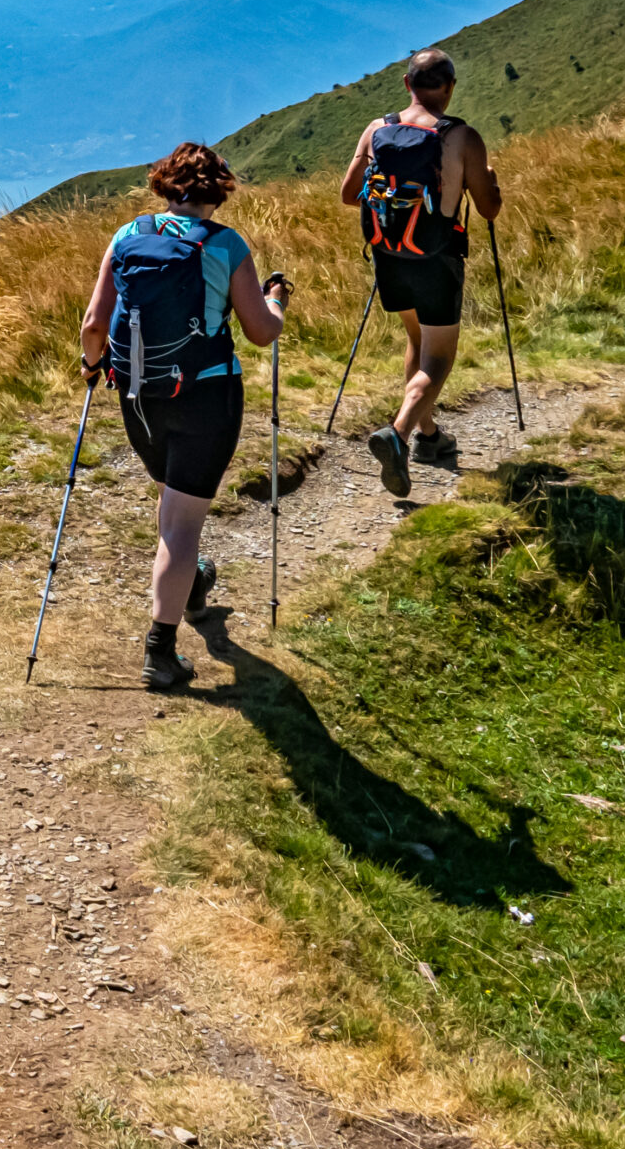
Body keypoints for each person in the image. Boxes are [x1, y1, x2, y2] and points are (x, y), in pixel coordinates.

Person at [78, 142, 292, 690]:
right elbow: (260, 332)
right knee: (180, 524)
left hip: (139, 397)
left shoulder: (129, 236)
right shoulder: (226, 245)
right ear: (218, 191)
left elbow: (93, 324)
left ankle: (192, 583)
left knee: (172, 499)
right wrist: (275, 301)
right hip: (205, 398)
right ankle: (160, 650)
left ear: (164, 184)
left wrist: (91, 366)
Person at [338, 47, 503, 498]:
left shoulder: (379, 129)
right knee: (439, 357)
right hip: (437, 258)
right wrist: (488, 179)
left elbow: (349, 195)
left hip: (389, 255)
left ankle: (430, 438)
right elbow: (488, 210)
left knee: (416, 340)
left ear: (407, 84)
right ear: (449, 89)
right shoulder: (461, 137)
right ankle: (400, 431)